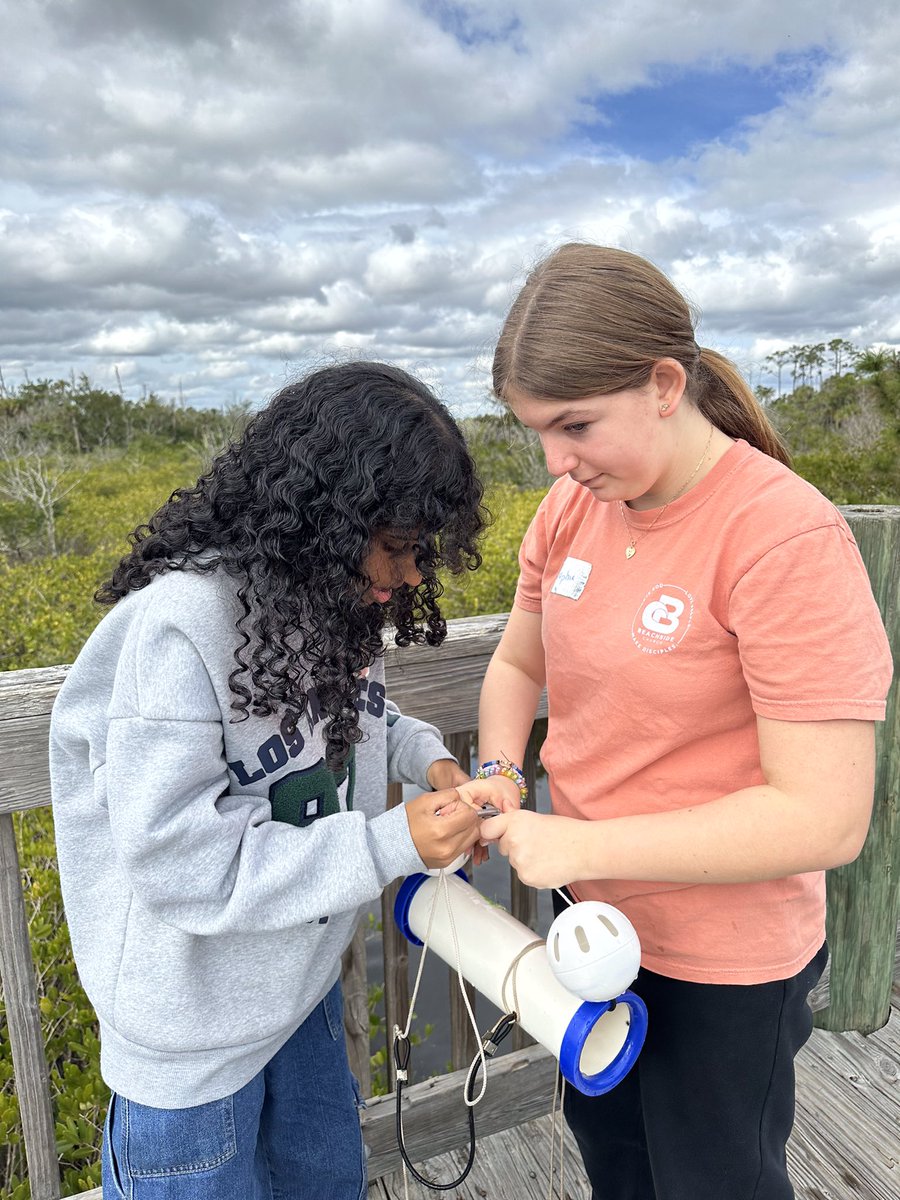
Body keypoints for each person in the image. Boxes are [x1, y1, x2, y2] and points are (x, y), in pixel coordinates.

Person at [474, 244, 893, 1200]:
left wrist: (580, 835)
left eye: (575, 425)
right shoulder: (569, 510)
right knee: (613, 1157)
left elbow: (824, 818)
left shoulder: (782, 536)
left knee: (715, 1178)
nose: (555, 461)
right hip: (592, 924)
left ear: (667, 384)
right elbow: (517, 661)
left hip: (723, 956)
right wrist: (502, 772)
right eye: (536, 430)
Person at [49, 361, 496, 1200]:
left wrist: (427, 758)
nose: (405, 577)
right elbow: (181, 859)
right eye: (396, 548)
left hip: (300, 1003)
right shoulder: (179, 629)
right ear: (327, 518)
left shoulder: (330, 607)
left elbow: (359, 722)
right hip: (189, 1048)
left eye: (418, 554)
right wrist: (392, 840)